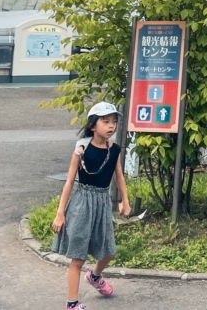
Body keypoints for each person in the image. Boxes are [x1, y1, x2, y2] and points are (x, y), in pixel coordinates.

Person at [52, 102, 130, 310]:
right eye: (105, 121)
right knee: (77, 257)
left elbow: (119, 176)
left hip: (102, 202)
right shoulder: (82, 149)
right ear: (93, 125)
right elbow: (69, 182)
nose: (111, 126)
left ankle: (94, 276)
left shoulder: (114, 150)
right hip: (82, 203)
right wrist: (60, 213)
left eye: (114, 121)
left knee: (108, 251)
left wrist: (125, 200)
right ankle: (72, 304)